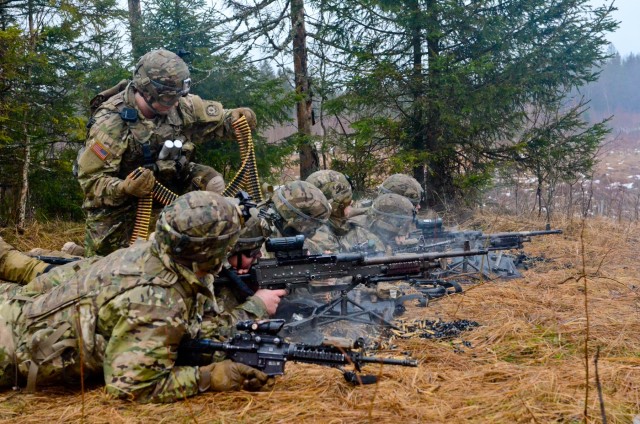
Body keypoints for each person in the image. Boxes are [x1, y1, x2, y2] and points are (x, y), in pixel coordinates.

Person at [0, 192, 275, 402]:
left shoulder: (156, 252)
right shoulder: (158, 298)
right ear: (210, 252)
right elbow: (131, 387)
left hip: (16, 311)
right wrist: (210, 376)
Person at [77, 48, 257, 256]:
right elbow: (90, 182)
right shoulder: (111, 122)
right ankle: (78, 253)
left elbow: (220, 121)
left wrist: (236, 118)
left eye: (178, 96)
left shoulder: (180, 105)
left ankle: (199, 248)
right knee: (109, 265)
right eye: (167, 98)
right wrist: (124, 188)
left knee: (213, 183)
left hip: (171, 180)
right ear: (147, 90)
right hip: (119, 201)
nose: (174, 103)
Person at [305, 170, 383, 254]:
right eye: (347, 201)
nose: (351, 202)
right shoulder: (316, 237)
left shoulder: (352, 229)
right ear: (335, 206)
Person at [261, 180, 336, 254]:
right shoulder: (259, 241)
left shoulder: (283, 226)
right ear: (298, 221)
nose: (313, 230)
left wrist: (319, 253)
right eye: (314, 226)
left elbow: (302, 242)